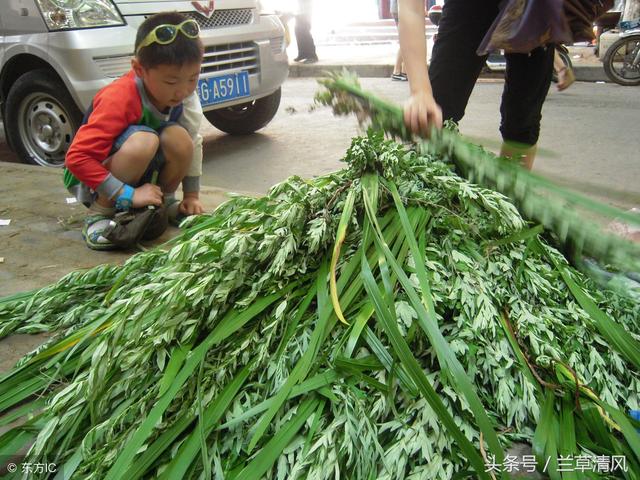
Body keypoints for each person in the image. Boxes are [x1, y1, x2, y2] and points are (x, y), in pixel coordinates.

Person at [64, 12, 205, 250]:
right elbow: (77, 159)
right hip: (92, 179)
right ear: (139, 69)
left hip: (138, 177)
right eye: (171, 82)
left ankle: (164, 203)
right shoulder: (119, 97)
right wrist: (126, 194)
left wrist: (192, 196)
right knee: (144, 141)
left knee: (181, 139)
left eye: (192, 78)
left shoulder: (184, 96)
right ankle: (100, 212)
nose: (182, 90)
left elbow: (193, 141)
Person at [398, 0, 556, 170]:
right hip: (469, 6)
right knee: (437, 113)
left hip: (533, 6)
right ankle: (435, 188)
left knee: (522, 122)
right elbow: (410, 9)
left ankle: (509, 192)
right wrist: (420, 91)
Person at [390, 0, 408, 81]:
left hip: (400, 9)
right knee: (405, 40)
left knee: (407, 40)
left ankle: (404, 71)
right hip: (401, 10)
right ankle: (396, 72)